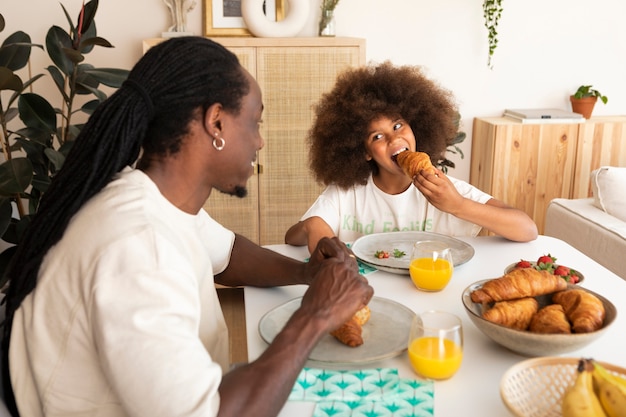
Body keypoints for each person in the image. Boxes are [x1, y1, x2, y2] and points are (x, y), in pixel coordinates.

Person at [0, 37, 373, 417]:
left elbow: (228, 255)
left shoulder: (150, 196)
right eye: (255, 123)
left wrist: (306, 272)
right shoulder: (138, 245)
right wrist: (317, 314)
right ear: (216, 122)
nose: (259, 142)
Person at [285, 62, 538, 253]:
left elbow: (527, 229)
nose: (394, 140)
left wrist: (458, 206)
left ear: (416, 126)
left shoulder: (447, 191)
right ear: (363, 152)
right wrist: (313, 224)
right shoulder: (347, 194)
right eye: (377, 137)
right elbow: (291, 239)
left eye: (398, 126)